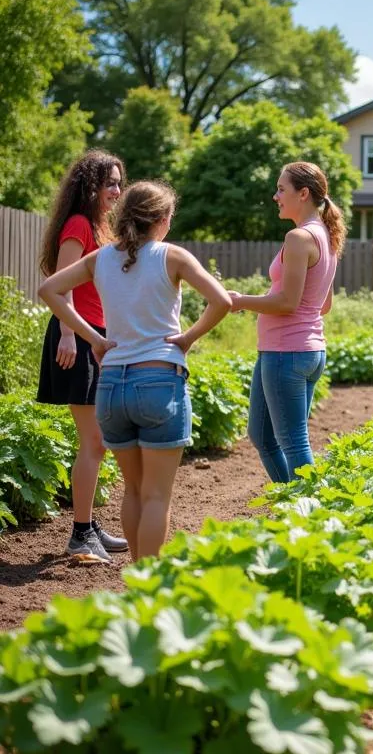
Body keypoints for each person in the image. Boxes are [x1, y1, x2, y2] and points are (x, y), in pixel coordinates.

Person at [38, 181, 232, 559]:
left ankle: (136, 582)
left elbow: (49, 289)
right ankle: (149, 583)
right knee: (157, 495)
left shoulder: (101, 259)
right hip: (160, 381)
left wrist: (93, 339)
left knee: (134, 490)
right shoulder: (172, 256)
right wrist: (188, 338)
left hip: (111, 386)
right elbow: (221, 301)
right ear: (161, 219)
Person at [36, 149, 127, 563]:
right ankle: (78, 535)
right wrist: (70, 335)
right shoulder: (77, 224)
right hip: (77, 336)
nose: (117, 190)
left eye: (119, 183)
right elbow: (60, 284)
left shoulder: (99, 226)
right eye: (109, 182)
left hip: (96, 336)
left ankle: (87, 526)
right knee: (94, 440)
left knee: (97, 441)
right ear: (90, 185)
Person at [229, 162, 343, 483]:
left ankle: (311, 517)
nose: (275, 196)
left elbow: (287, 303)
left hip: (286, 354)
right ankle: (292, 504)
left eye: (282, 189)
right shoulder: (324, 235)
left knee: (293, 441)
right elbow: (325, 304)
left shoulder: (299, 237)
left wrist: (239, 301)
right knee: (263, 436)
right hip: (298, 351)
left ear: (303, 193)